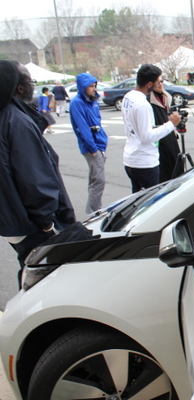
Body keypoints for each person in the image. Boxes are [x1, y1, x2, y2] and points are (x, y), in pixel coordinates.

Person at [0, 60, 75, 286]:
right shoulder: (17, 121)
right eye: (30, 81)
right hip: (32, 222)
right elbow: (34, 179)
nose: (33, 85)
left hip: (13, 220)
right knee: (43, 279)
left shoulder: (6, 116)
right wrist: (47, 223)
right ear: (20, 87)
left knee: (31, 268)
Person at [122, 64, 181, 193]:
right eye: (158, 81)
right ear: (149, 84)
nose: (160, 83)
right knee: (151, 203)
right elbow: (146, 136)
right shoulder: (143, 104)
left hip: (131, 159)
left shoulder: (128, 96)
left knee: (137, 201)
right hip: (145, 162)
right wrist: (171, 124)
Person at [69, 73, 109, 214]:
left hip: (99, 144)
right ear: (83, 87)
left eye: (94, 86)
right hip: (92, 146)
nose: (93, 89)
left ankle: (95, 209)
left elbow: (97, 121)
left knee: (95, 180)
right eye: (90, 86)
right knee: (99, 181)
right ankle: (92, 212)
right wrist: (93, 148)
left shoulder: (92, 100)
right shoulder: (77, 103)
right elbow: (83, 128)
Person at [147, 78, 184, 182]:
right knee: (165, 172)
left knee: (176, 165)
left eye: (162, 82)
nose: (160, 84)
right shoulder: (148, 100)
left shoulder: (166, 96)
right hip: (160, 139)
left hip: (171, 135)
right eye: (158, 82)